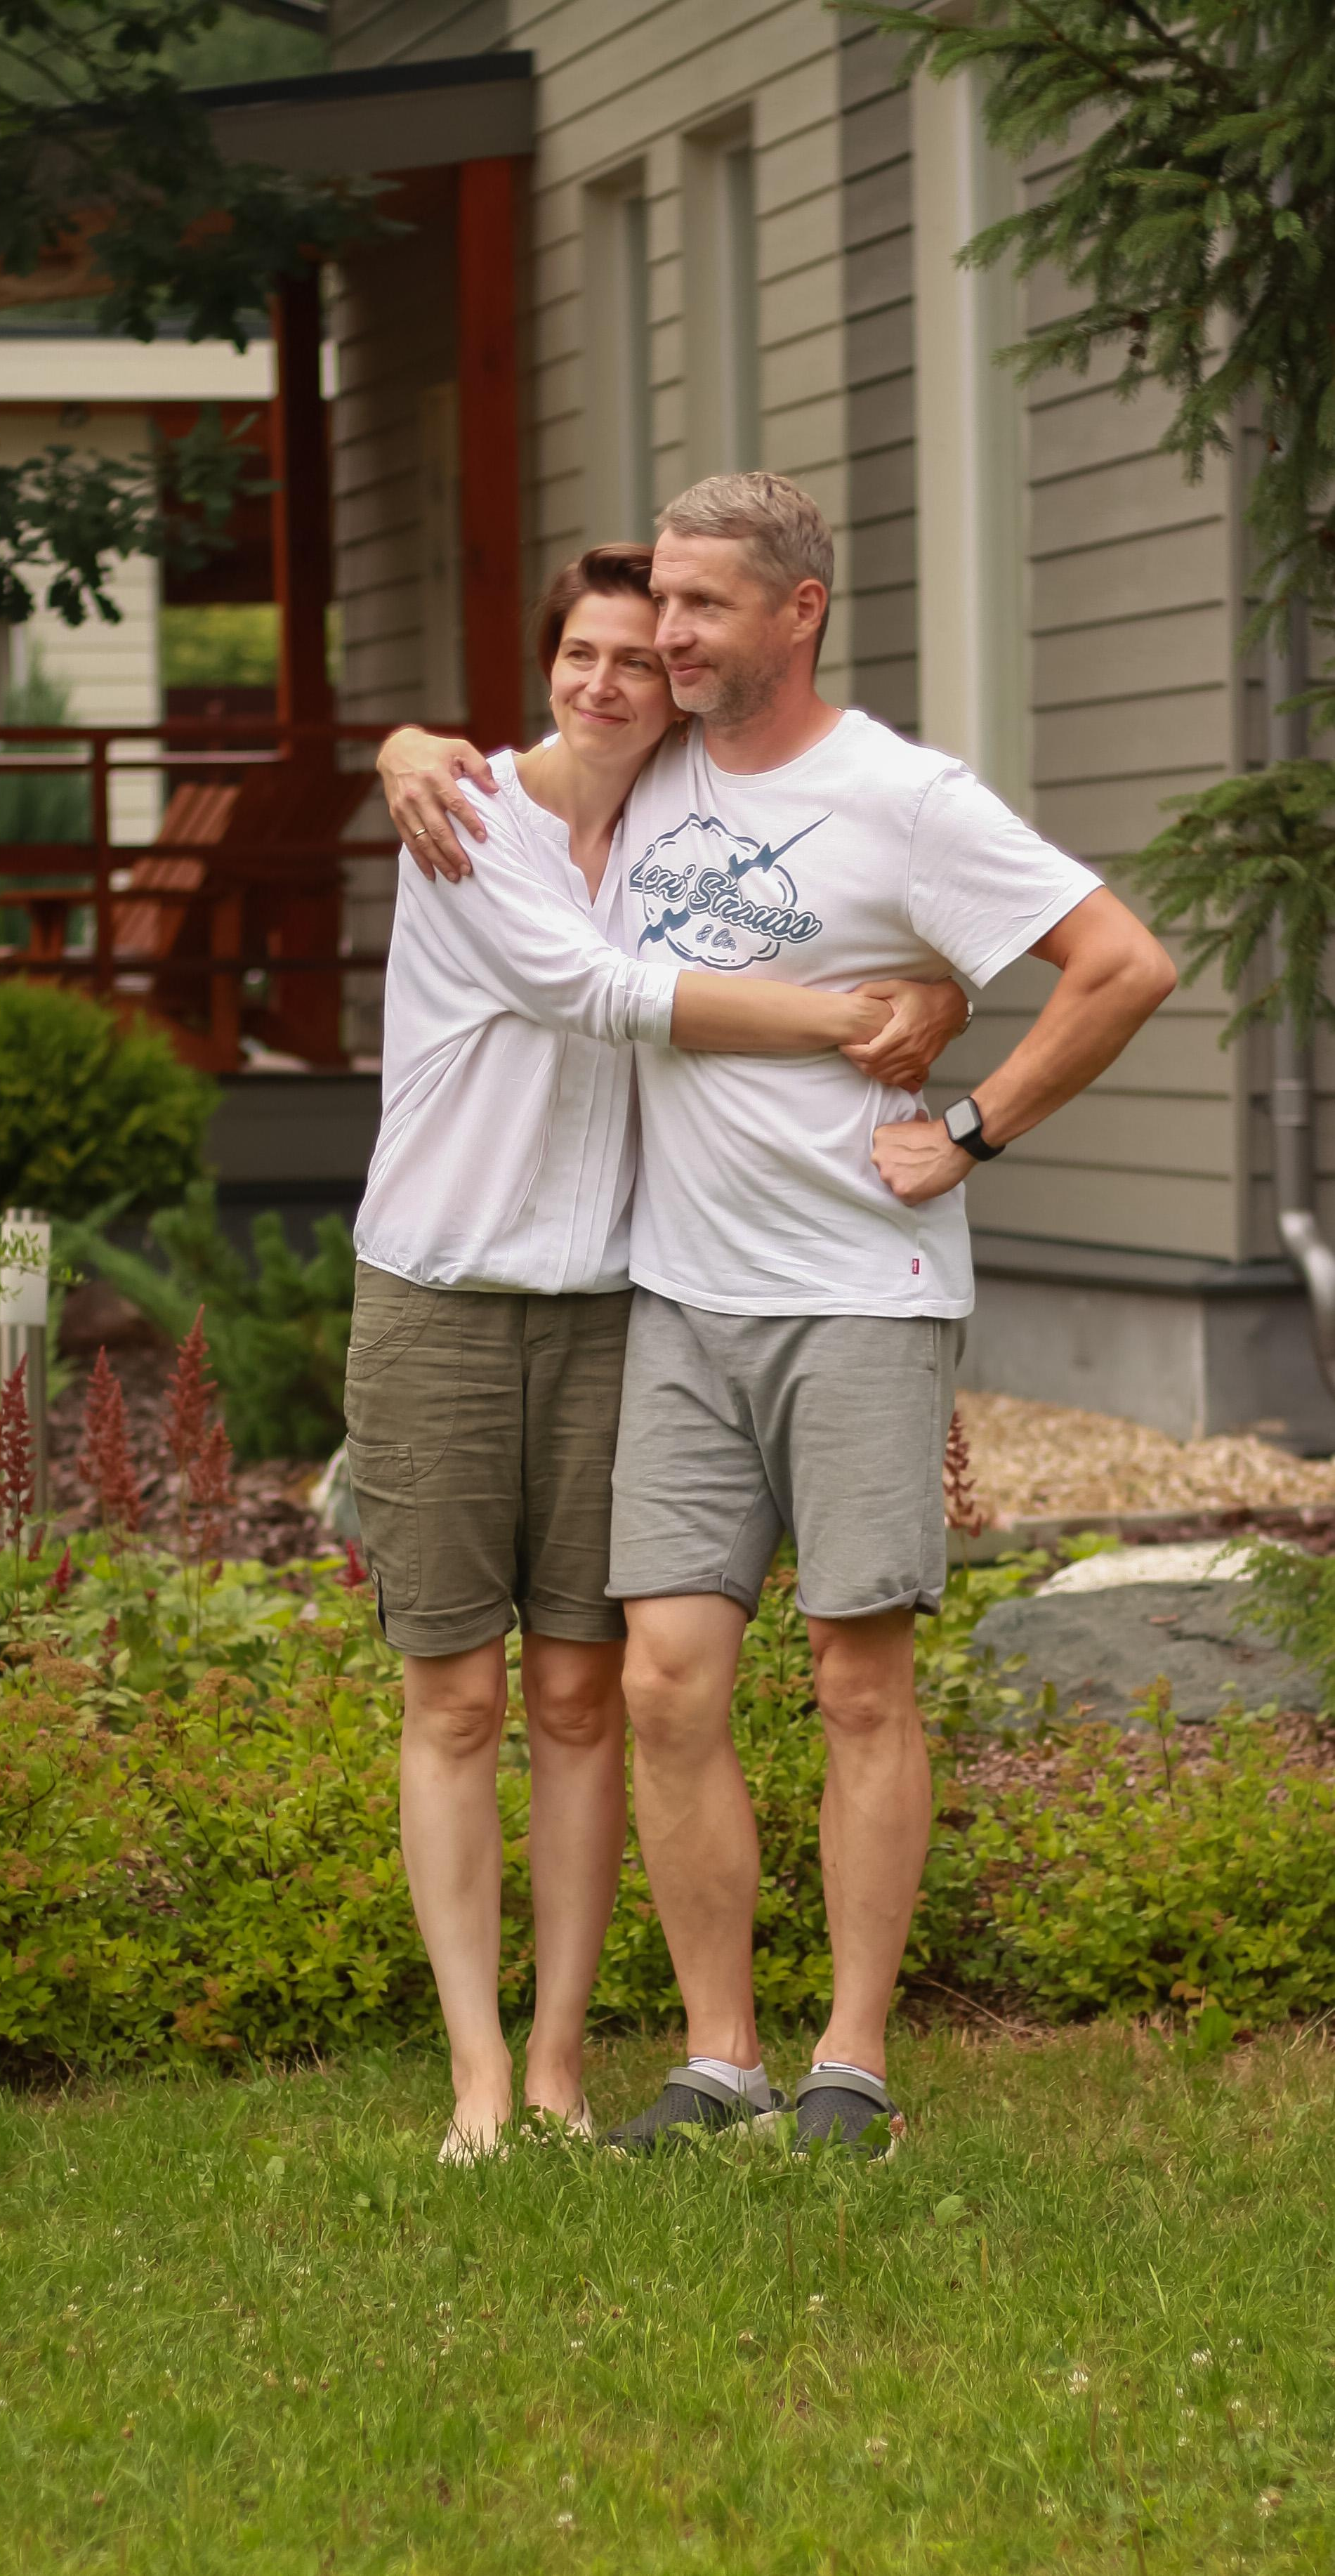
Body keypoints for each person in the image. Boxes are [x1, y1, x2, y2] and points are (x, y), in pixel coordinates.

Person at [379, 471, 1176, 2155]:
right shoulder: (650, 762)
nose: (662, 640)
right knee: (665, 1684)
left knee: (856, 1679)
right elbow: (547, 824)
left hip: (856, 1297)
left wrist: (969, 1123)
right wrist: (403, 743)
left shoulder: (903, 794)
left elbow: (1120, 963)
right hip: (671, 1295)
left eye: (700, 607)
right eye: (653, 605)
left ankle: (854, 2058)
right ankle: (720, 2052)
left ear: (797, 613)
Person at [349, 540, 967, 2162]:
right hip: (440, 1288)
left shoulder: (683, 810)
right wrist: (858, 1016)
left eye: (644, 654)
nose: (613, 679)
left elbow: (853, 838)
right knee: (455, 1695)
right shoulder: (467, 811)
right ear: (543, 662)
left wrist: (945, 981)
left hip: (622, 1296)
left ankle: (559, 2060)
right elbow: (605, 991)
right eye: (584, 653)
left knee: (579, 1691)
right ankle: (479, 2071)